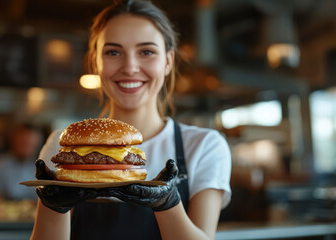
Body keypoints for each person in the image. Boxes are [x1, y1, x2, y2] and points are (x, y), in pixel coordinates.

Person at [31, 0, 231, 239]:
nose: (130, 67)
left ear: (167, 61)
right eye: (113, 52)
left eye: (146, 51)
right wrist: (54, 207)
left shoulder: (204, 146)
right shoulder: (61, 145)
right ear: (96, 62)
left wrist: (167, 203)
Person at [0, 123, 43, 201]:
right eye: (24, 143)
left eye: (31, 145)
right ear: (13, 141)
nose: (27, 149)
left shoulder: (41, 167)